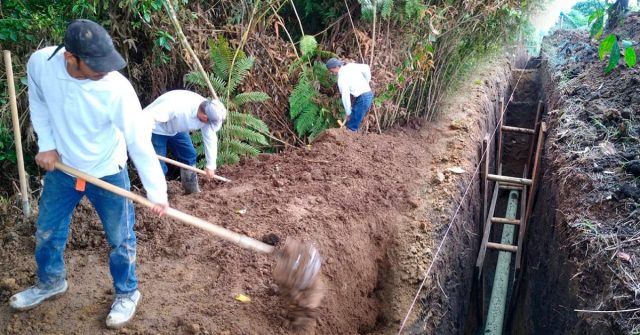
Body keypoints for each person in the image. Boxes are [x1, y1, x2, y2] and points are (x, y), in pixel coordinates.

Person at [9, 19, 169, 329]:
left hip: (108, 171)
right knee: (47, 231)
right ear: (70, 57)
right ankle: (50, 282)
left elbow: (138, 141)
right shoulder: (41, 64)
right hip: (65, 169)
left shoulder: (116, 90)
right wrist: (48, 145)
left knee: (121, 239)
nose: (104, 71)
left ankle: (127, 292)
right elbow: (38, 101)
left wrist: (157, 193)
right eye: (95, 65)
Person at [144, 90, 227, 194]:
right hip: (156, 129)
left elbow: (210, 138)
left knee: (189, 156)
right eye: (208, 122)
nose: (208, 125)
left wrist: (211, 165)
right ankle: (158, 196)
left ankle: (191, 193)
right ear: (205, 117)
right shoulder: (177, 106)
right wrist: (144, 141)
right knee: (158, 167)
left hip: (176, 129)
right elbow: (148, 118)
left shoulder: (207, 114)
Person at [325, 57, 374, 131]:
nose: (331, 73)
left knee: (352, 125)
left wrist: (348, 113)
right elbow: (366, 67)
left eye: (331, 71)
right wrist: (366, 81)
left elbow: (345, 97)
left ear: (336, 67)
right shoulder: (350, 66)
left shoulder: (341, 79)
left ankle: (349, 139)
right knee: (353, 120)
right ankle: (352, 137)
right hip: (365, 95)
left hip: (363, 98)